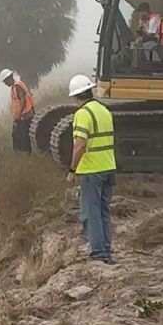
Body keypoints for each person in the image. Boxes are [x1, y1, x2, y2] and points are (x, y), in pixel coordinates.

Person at [65, 74, 116, 265]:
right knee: (103, 211)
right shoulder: (104, 110)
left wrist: (72, 170)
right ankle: (106, 250)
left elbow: (80, 145)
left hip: (91, 170)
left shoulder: (83, 114)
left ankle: (98, 253)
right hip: (108, 167)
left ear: (76, 96)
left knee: (90, 212)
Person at [0, 68, 36, 153]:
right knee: (19, 135)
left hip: (25, 115)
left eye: (5, 81)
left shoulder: (17, 85)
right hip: (21, 115)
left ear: (10, 78)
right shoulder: (14, 87)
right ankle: (21, 154)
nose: (5, 83)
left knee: (23, 137)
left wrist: (19, 114)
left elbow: (22, 99)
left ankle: (25, 154)